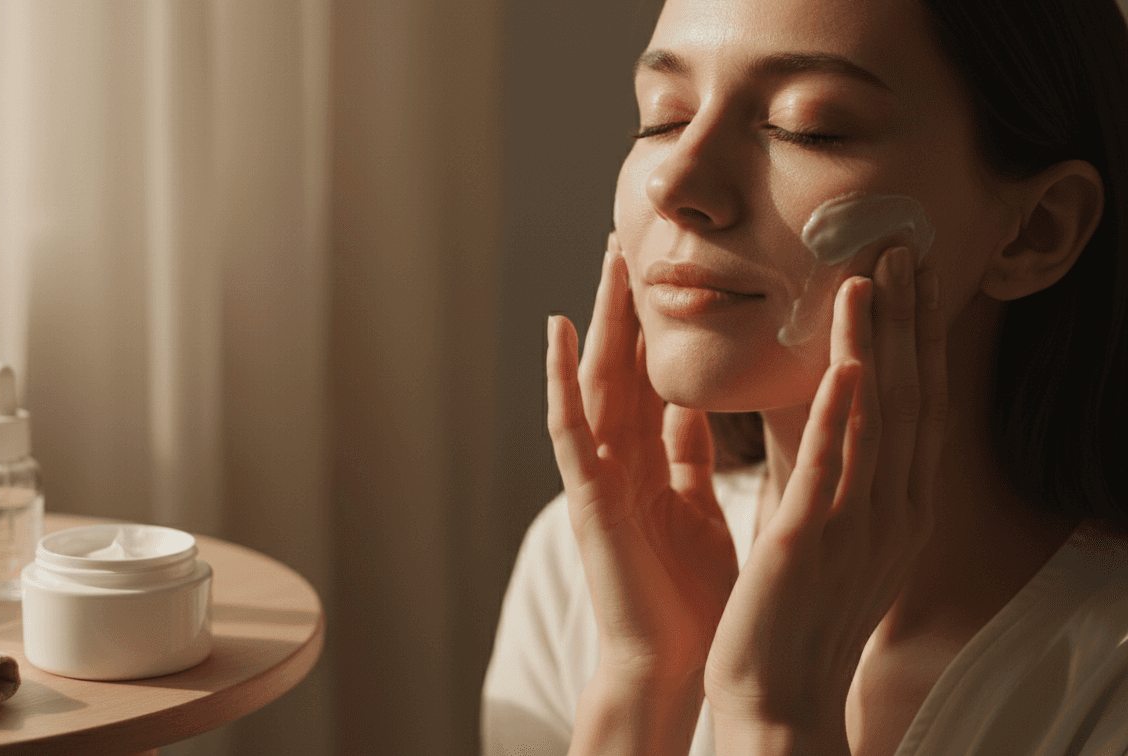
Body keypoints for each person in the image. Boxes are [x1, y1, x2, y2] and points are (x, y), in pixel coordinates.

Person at [482, 0, 1128, 754]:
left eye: (807, 127)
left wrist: (775, 717)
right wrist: (646, 679)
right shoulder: (589, 566)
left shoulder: (1103, 678)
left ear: (1037, 229)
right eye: (663, 117)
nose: (677, 180)